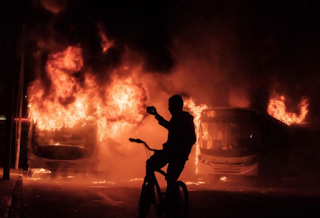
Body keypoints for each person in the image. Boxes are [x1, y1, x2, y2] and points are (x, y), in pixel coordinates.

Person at [146, 95, 196, 188]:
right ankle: (157, 190)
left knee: (168, 177)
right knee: (154, 166)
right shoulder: (178, 118)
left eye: (171, 106)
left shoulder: (183, 119)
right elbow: (170, 127)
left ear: (177, 106)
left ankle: (170, 198)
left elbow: (190, 138)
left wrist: (181, 150)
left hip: (177, 156)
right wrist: (156, 115)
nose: (169, 109)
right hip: (173, 154)